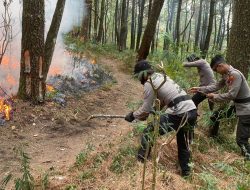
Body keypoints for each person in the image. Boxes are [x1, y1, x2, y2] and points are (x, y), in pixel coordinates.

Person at [125, 60, 197, 176]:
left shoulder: (150, 82)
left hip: (179, 112)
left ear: (143, 74)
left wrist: (133, 115)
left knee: (149, 131)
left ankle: (140, 162)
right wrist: (155, 110)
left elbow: (144, 110)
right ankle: (186, 173)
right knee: (184, 144)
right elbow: (165, 98)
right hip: (191, 110)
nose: (139, 81)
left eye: (138, 77)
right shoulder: (161, 76)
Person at [190, 55, 250, 159]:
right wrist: (200, 89)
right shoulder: (227, 75)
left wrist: (215, 96)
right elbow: (216, 86)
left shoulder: (235, 74)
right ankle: (213, 138)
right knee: (216, 116)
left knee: (241, 140)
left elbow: (232, 95)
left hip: (246, 109)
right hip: (237, 106)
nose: (217, 72)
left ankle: (247, 157)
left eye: (216, 70)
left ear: (220, 66)